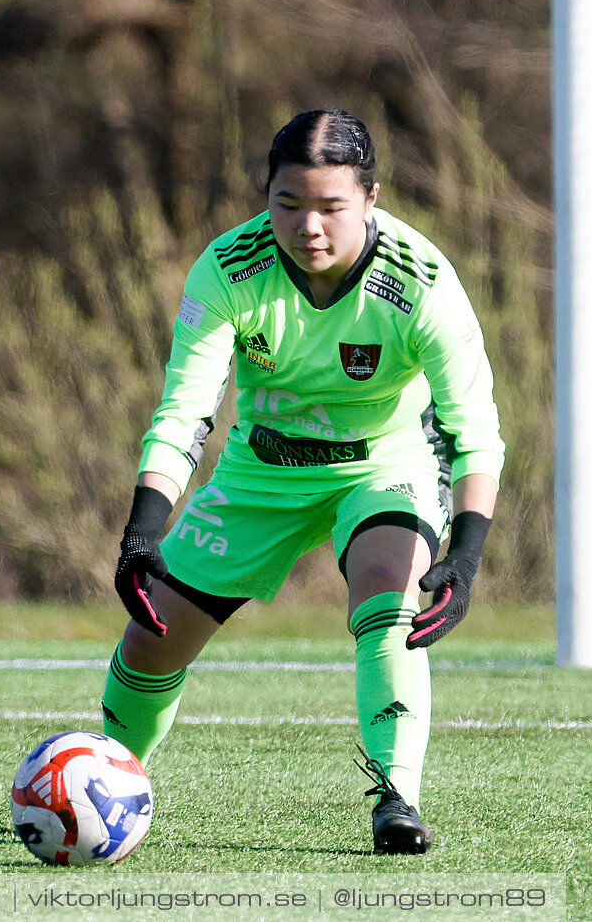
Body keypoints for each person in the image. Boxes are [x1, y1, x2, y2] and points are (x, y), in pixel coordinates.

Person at [100, 109, 501, 854]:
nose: (308, 225)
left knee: (389, 595)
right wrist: (143, 529)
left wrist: (467, 554)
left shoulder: (422, 283)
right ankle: (105, 783)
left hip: (385, 463)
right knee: (151, 642)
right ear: (267, 198)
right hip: (261, 469)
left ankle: (397, 799)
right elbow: (186, 411)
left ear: (371, 197)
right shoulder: (228, 268)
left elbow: (474, 432)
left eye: (330, 206)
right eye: (289, 204)